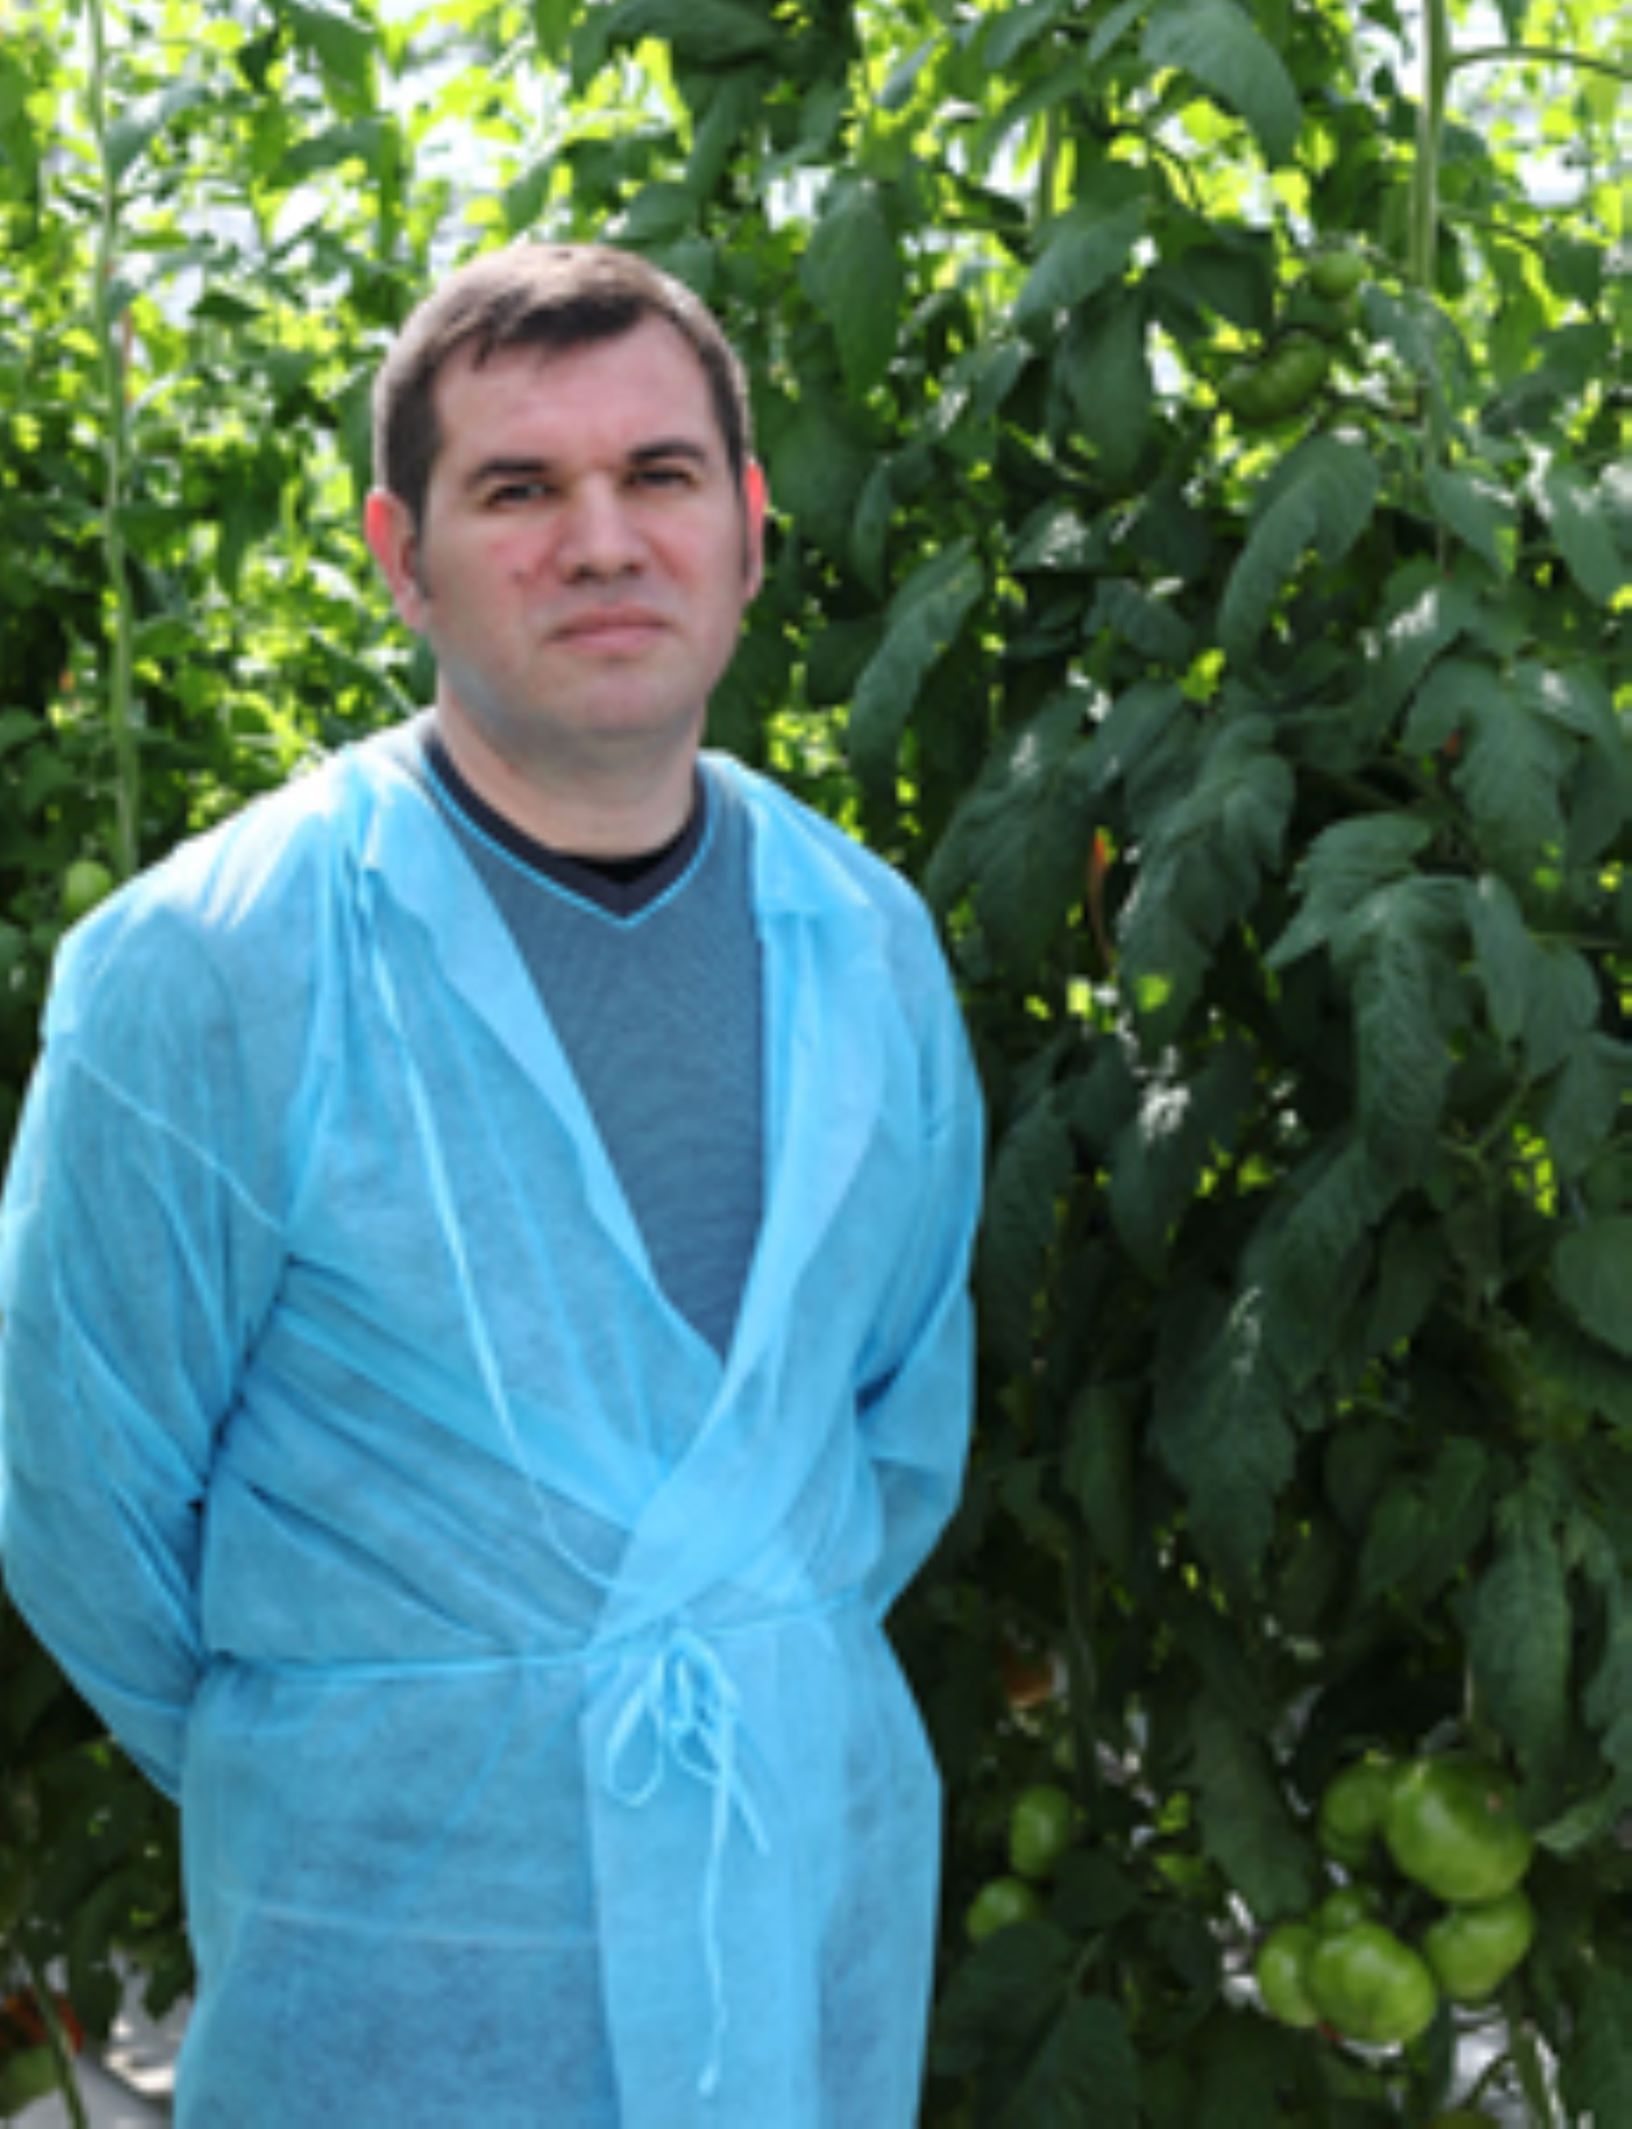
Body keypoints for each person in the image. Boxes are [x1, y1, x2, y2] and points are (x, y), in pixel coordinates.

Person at [0, 242, 983, 2127]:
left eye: (661, 476)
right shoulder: (215, 966)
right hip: (399, 1964)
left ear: (753, 529)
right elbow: (88, 1516)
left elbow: (888, 1434)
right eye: (518, 490)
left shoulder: (863, 941)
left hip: (802, 1904)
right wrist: (409, 1737)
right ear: (399, 554)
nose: (602, 541)